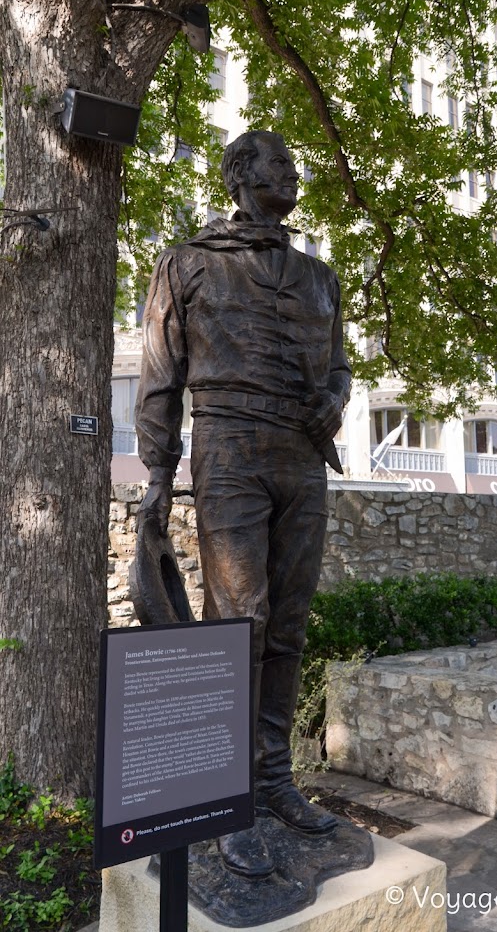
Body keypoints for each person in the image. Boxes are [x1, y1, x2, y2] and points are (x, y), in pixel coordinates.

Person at [134, 130, 351, 876]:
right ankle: (227, 803)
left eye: (292, 165)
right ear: (239, 176)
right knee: (239, 624)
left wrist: (332, 400)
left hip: (302, 457)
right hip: (228, 450)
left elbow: (342, 367)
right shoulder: (188, 262)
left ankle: (272, 782)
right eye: (279, 164)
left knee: (287, 623)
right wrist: (158, 476)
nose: (292, 175)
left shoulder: (320, 277)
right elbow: (159, 375)